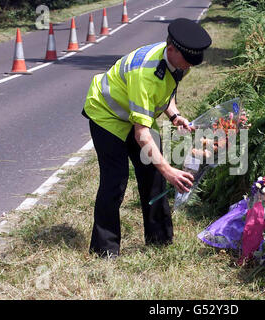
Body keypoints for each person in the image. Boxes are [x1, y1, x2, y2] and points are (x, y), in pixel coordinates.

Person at [82, 18, 212, 258]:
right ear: (171, 49)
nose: (189, 68)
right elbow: (141, 135)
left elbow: (166, 90)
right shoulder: (145, 72)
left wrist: (174, 115)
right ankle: (104, 250)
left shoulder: (176, 61)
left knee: (153, 176)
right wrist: (170, 171)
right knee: (115, 182)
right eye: (187, 61)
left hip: (136, 115)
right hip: (107, 116)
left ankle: (160, 240)